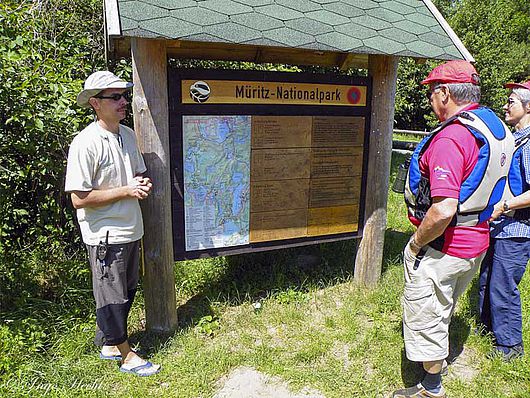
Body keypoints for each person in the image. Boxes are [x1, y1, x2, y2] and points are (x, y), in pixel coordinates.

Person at [393, 60, 514, 398]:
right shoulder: (492, 126)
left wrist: (416, 244)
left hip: (443, 246)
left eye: (432, 92)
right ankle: (438, 362)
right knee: (444, 304)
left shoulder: (451, 138)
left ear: (445, 93)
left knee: (427, 313)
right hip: (475, 241)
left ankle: (431, 388)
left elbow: (444, 208)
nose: (430, 99)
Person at [65, 71, 160, 376]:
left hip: (132, 228)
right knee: (112, 295)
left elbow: (134, 176)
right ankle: (126, 355)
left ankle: (108, 342)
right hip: (106, 235)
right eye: (115, 97)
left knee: (126, 291)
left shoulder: (128, 135)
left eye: (124, 95)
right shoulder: (85, 143)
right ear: (95, 103)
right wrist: (127, 190)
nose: (123, 102)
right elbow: (79, 198)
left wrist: (140, 184)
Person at [478, 80, 530, 361]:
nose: (505, 105)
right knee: (487, 279)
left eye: (511, 101)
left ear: (528, 106)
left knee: (503, 285)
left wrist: (505, 205)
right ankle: (487, 331)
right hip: (500, 225)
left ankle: (510, 348)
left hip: (517, 227)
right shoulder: (515, 138)